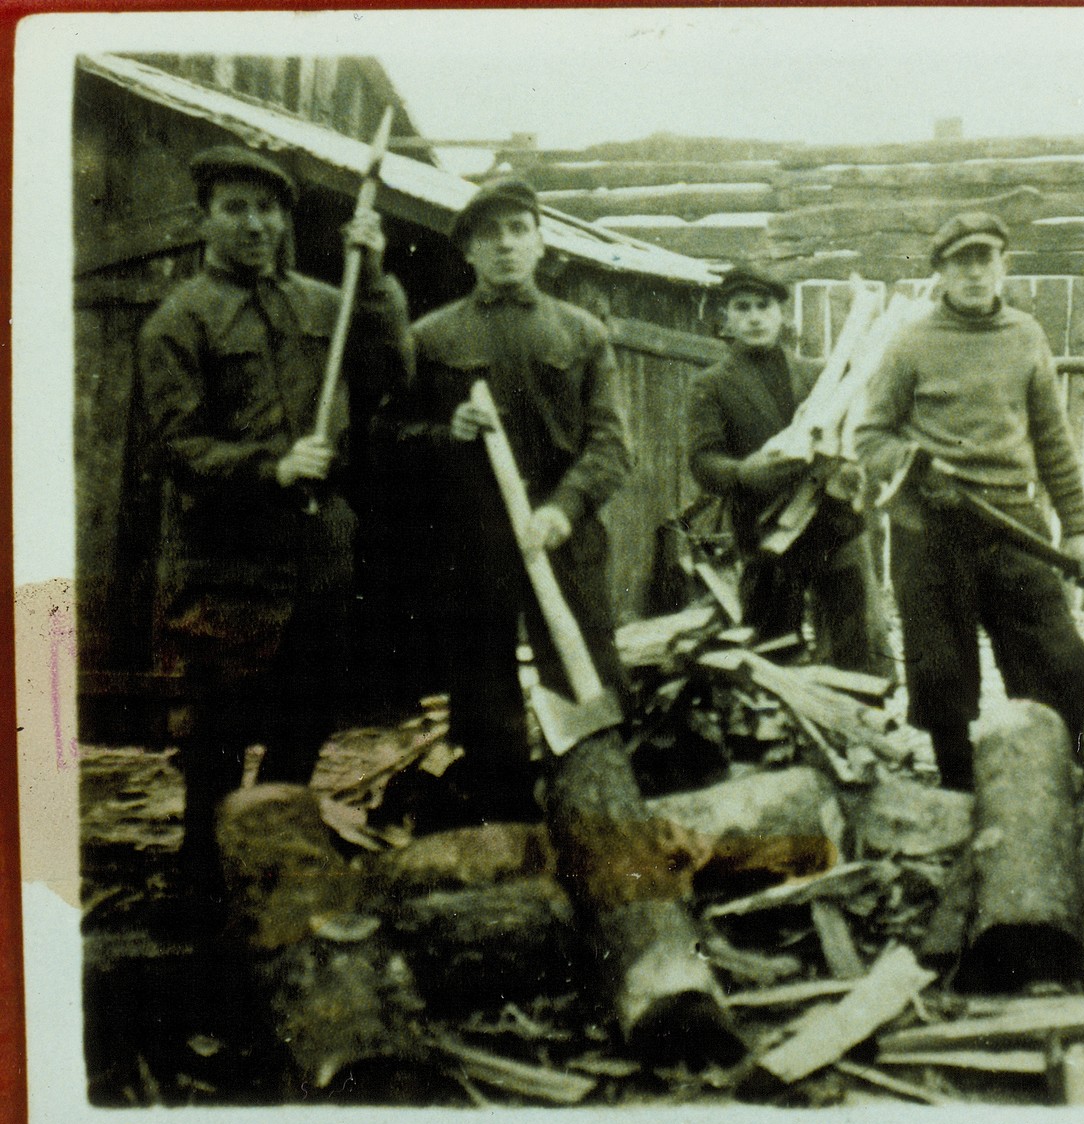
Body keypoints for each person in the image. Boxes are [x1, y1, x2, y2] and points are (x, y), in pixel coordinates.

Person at [137, 145, 410, 903]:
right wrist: (272, 467)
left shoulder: (329, 302)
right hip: (227, 568)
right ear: (206, 219)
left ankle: (274, 878)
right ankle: (204, 892)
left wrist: (377, 275)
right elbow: (175, 447)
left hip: (317, 562)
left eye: (268, 210)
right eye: (236, 209)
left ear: (286, 218)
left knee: (303, 727)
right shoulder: (178, 320)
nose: (254, 225)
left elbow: (393, 374)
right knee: (216, 745)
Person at [378, 177, 631, 817]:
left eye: (519, 230)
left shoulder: (582, 334)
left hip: (562, 536)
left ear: (542, 242)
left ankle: (591, 817)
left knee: (584, 675)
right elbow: (390, 440)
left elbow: (611, 445)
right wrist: (446, 435)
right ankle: (509, 825)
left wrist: (563, 508)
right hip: (473, 540)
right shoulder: (433, 338)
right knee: (482, 690)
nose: (506, 246)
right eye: (489, 236)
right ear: (467, 253)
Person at [855, 212, 1084, 790]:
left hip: (1011, 517)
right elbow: (871, 435)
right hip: (930, 522)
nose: (973, 274)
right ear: (940, 272)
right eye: (959, 262)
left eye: (984, 259)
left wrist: (1078, 529)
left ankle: (1063, 767)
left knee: (1053, 652)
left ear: (1003, 266)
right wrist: (915, 466)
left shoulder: (1025, 335)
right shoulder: (912, 341)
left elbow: (1053, 440)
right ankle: (957, 780)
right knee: (940, 663)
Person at [686, 264, 888, 676]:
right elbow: (703, 461)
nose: (755, 317)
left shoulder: (821, 376)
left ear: (782, 314)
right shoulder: (711, 385)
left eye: (764, 306)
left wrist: (853, 471)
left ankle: (859, 728)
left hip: (833, 529)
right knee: (772, 656)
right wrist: (744, 472)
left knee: (855, 654)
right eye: (742, 308)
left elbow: (861, 435)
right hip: (766, 536)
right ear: (727, 317)